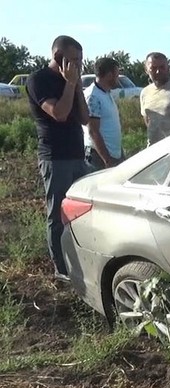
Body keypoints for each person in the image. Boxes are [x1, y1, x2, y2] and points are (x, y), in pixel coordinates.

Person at [26, 35, 90, 282]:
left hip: (77, 155)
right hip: (56, 158)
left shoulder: (72, 81)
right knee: (58, 214)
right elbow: (60, 114)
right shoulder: (38, 80)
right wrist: (70, 85)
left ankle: (80, 259)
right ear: (58, 57)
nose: (78, 64)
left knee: (81, 210)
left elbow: (83, 119)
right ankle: (61, 269)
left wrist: (77, 88)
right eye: (74, 59)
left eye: (80, 60)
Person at [83, 57, 123, 171]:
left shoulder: (106, 93)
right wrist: (107, 160)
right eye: (117, 74)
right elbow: (93, 131)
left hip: (114, 154)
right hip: (99, 158)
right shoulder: (93, 96)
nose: (118, 78)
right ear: (110, 75)